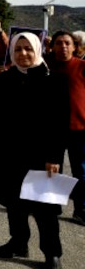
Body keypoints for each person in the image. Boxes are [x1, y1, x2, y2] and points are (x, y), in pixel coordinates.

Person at [0, 33, 68, 269]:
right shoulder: (4, 80)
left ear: (37, 50)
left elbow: (60, 123)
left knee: (45, 208)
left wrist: (54, 157)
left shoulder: (55, 81)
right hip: (10, 153)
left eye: (28, 49)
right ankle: (19, 242)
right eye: (18, 49)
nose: (23, 54)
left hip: (42, 157)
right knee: (14, 203)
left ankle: (52, 252)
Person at [47, 30, 85, 225]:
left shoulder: (82, 66)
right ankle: (53, 206)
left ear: (74, 47)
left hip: (80, 128)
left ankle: (81, 209)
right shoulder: (45, 66)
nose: (63, 47)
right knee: (53, 169)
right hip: (53, 129)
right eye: (59, 43)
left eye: (67, 43)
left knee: (81, 172)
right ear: (52, 46)